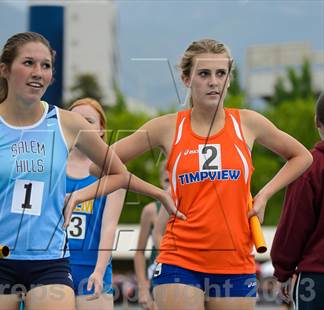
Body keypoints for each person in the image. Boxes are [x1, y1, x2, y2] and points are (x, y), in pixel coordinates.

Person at [0, 32, 175, 310]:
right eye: (28, 63)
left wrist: (79, 196)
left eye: (45, 66)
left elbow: (118, 173)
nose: (38, 73)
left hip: (50, 261)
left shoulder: (68, 124)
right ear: (5, 69)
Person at [92, 38, 312, 309]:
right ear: (186, 79)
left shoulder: (248, 123)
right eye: (204, 74)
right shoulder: (167, 127)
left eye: (221, 74)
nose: (214, 82)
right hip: (179, 259)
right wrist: (156, 192)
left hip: (235, 260)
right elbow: (98, 163)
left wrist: (264, 195)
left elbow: (303, 156)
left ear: (229, 79)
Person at [65, 98, 126, 310]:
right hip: (53, 266)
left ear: (101, 129)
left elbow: (109, 226)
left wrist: (99, 270)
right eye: (75, 119)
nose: (81, 125)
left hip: (91, 267)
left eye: (89, 120)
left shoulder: (113, 171)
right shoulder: (52, 166)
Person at [271, 93, 324, 310]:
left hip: (317, 276)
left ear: (316, 122)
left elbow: (294, 224)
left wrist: (282, 270)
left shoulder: (309, 167)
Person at [134, 161, 170, 310]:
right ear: (161, 181)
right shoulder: (151, 210)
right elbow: (139, 253)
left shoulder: (196, 209)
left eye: (174, 179)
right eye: (167, 180)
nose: (171, 185)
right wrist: (143, 289)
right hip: (157, 275)